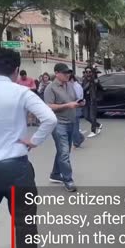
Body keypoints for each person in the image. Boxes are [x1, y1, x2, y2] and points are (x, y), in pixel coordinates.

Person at [0, 48, 57, 248]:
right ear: (16, 70)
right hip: (16, 168)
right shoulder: (20, 92)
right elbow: (49, 119)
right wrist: (34, 141)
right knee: (25, 220)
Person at [44, 63, 84, 192]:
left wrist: (78, 103)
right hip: (58, 124)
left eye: (68, 73)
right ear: (56, 73)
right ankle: (68, 180)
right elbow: (48, 106)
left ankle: (55, 174)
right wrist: (67, 105)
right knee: (64, 153)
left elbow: (73, 101)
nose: (68, 75)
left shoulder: (70, 85)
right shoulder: (50, 88)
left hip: (71, 122)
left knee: (63, 152)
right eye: (65, 72)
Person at [82, 66, 102, 138]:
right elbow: (83, 89)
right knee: (86, 116)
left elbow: (100, 88)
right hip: (86, 100)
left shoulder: (95, 80)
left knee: (92, 116)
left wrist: (96, 83)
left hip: (92, 100)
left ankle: (93, 131)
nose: (88, 73)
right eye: (86, 72)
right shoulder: (84, 80)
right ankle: (98, 125)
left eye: (89, 72)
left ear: (92, 73)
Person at [69, 74, 85, 148]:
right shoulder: (71, 86)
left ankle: (77, 142)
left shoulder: (77, 86)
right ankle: (79, 138)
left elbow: (78, 98)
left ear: (72, 79)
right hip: (72, 107)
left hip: (76, 107)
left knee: (74, 126)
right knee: (73, 126)